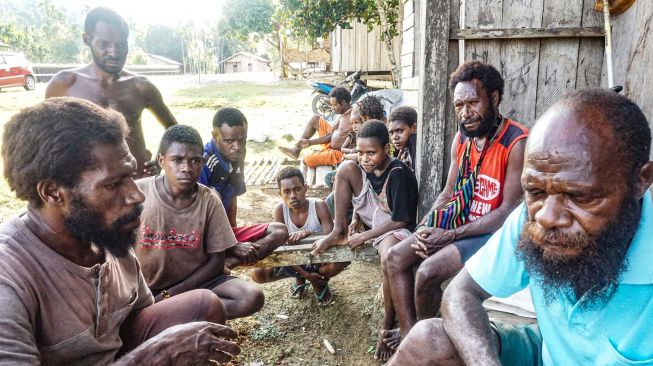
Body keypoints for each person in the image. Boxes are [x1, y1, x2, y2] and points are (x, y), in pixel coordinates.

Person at [389, 88, 653, 366]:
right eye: (535, 191)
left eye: (580, 196)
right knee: (428, 339)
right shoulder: (533, 214)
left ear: (640, 181)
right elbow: (461, 293)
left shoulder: (512, 144)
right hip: (543, 355)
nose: (548, 218)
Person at [0, 97, 239, 365]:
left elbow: (143, 319)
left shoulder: (109, 241)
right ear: (54, 192)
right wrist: (149, 359)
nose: (137, 195)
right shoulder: (9, 275)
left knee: (203, 306)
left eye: (130, 176)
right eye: (114, 184)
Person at [379, 61, 528, 360]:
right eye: (459, 104)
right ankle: (412, 335)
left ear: (495, 98)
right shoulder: (462, 139)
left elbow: (508, 212)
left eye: (473, 102)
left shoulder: (517, 141)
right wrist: (427, 225)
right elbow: (448, 192)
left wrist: (449, 234)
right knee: (395, 257)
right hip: (459, 225)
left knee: (428, 272)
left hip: (492, 234)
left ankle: (427, 336)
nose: (465, 112)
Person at [135, 124, 265, 320]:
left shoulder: (209, 199)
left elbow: (216, 262)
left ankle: (170, 314)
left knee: (251, 297)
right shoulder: (138, 194)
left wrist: (171, 295)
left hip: (197, 282)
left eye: (195, 161)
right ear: (161, 160)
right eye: (177, 160)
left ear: (202, 162)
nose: (186, 168)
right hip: (149, 287)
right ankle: (180, 313)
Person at [45, 7, 177, 178]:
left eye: (121, 45)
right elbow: (48, 139)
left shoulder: (141, 87)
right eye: (104, 44)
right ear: (87, 39)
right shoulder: (63, 85)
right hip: (91, 188)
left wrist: (160, 160)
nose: (114, 52)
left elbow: (173, 128)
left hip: (138, 184)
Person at [199, 107, 288, 269]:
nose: (237, 147)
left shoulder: (238, 153)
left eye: (242, 140)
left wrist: (234, 236)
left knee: (280, 231)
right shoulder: (203, 162)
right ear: (215, 136)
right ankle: (220, 260)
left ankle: (229, 263)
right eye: (229, 141)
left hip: (225, 235)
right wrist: (232, 244)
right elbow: (196, 219)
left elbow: (233, 194)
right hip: (204, 239)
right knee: (214, 196)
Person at [250, 167, 349, 306]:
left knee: (338, 261)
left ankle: (320, 283)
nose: (292, 196)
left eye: (297, 189)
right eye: (286, 192)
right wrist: (305, 274)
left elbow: (332, 243)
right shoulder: (280, 211)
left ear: (305, 188)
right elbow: (281, 250)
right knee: (258, 273)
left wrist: (308, 233)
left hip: (318, 259)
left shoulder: (318, 206)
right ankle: (300, 278)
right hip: (293, 261)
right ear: (280, 194)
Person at [278, 87, 352, 168]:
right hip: (330, 142)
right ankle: (296, 150)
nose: (332, 108)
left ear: (344, 103)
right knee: (315, 119)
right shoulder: (341, 114)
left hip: (338, 153)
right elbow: (331, 135)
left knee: (306, 160)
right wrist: (310, 142)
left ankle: (325, 153)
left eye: (334, 105)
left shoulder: (353, 118)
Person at [388, 106, 418, 171]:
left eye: (399, 131)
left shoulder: (413, 141)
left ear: (414, 128)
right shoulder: (403, 149)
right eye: (391, 133)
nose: (395, 137)